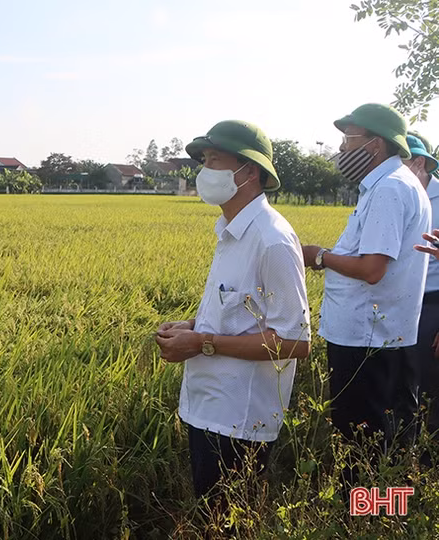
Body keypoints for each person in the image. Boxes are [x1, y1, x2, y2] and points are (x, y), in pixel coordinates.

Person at [156, 120, 311, 509]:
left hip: (240, 420)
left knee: (227, 519)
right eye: (204, 160)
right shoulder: (231, 231)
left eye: (215, 160)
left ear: (249, 171)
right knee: (212, 514)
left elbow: (296, 341)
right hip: (209, 406)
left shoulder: (271, 239)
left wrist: (202, 342)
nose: (204, 171)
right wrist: (191, 327)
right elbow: (241, 312)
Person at [301, 104, 431, 467]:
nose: (341, 149)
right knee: (386, 442)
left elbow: (373, 269)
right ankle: (384, 515)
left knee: (364, 448)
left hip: (367, 342)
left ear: (374, 144)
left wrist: (320, 256)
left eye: (348, 138)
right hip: (383, 337)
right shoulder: (395, 185)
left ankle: (364, 516)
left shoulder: (389, 189)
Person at [405, 134, 439, 453]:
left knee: (430, 382)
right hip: (401, 301)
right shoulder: (395, 195)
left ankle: (428, 459)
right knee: (403, 380)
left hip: (433, 303)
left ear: (419, 163)